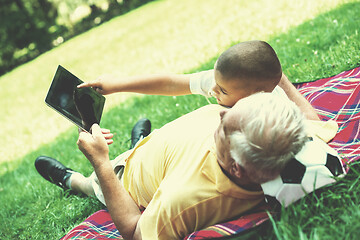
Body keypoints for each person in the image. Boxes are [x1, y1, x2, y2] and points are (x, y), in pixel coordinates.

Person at [35, 92, 308, 240]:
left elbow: (134, 232)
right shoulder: (285, 135)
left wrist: (101, 162)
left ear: (236, 168)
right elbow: (315, 124)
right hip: (160, 153)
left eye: (225, 124)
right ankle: (138, 142)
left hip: (129, 176)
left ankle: (71, 179)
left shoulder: (185, 199)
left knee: (94, 183)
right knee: (139, 147)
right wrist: (277, 76)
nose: (223, 111)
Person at [78, 40, 320, 120]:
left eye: (221, 89)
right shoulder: (225, 84)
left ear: (253, 97)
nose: (212, 88)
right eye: (215, 79)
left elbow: (315, 125)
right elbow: (172, 83)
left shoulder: (277, 116)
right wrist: (116, 85)